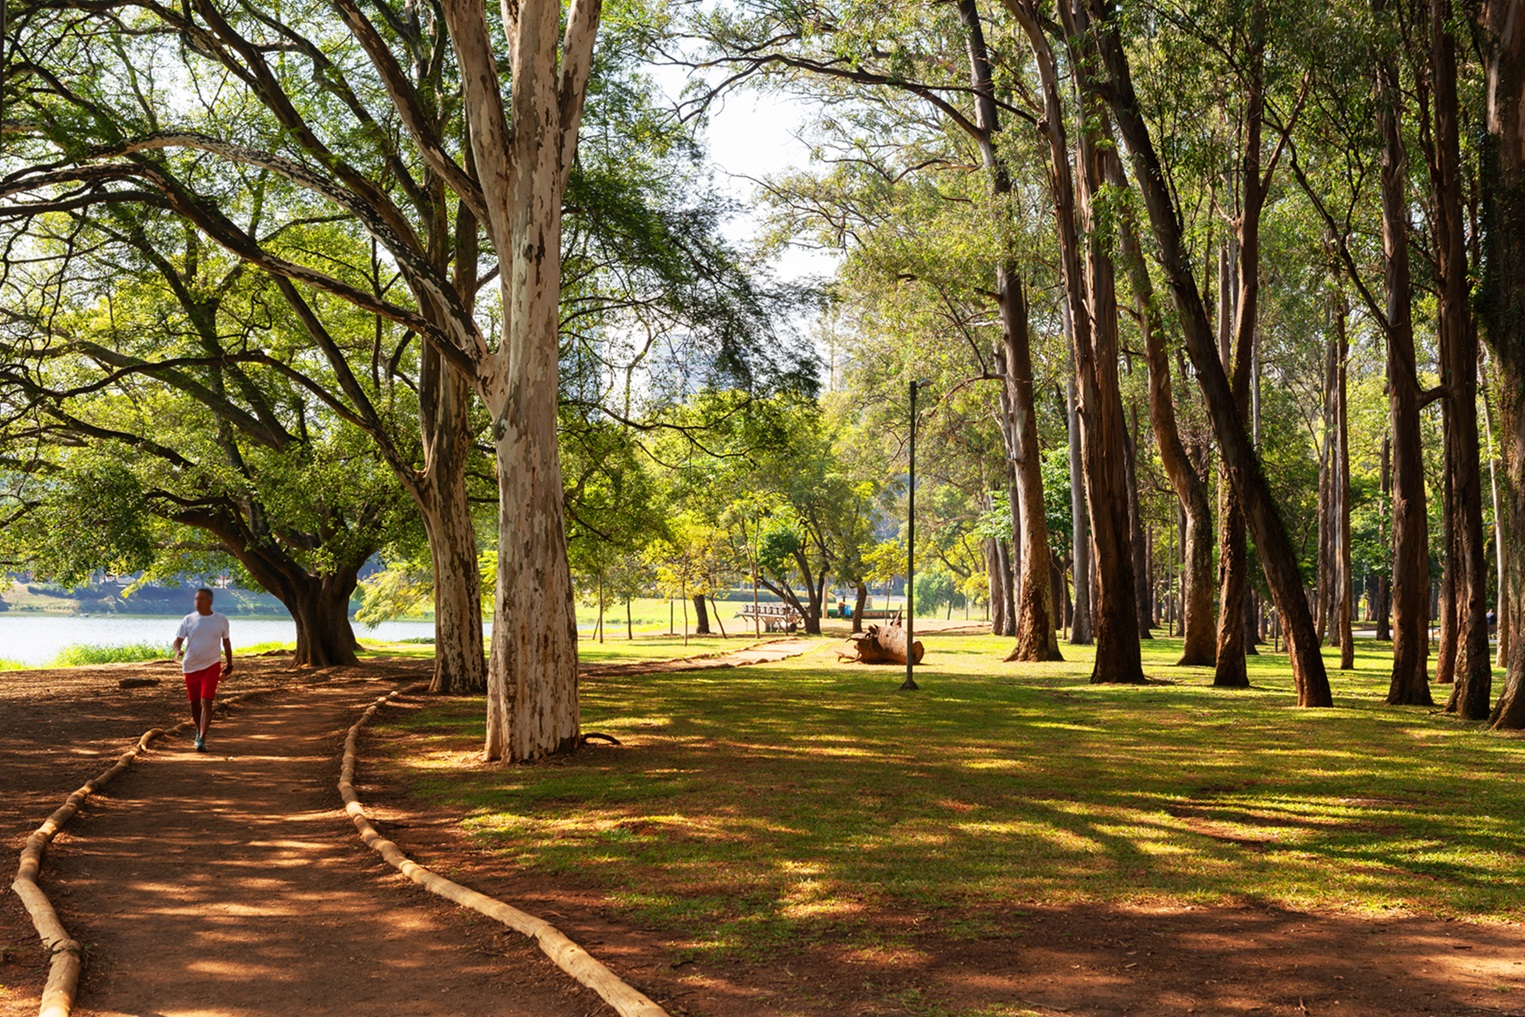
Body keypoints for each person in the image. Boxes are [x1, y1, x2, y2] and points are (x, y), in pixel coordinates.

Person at [172, 588, 234, 753]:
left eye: (201, 599)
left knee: (206, 701)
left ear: (210, 601)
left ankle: (202, 738)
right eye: (196, 599)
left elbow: (226, 643)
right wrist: (177, 651)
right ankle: (199, 729)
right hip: (190, 666)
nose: (197, 602)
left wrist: (229, 664)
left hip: (211, 665)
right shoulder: (188, 619)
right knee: (194, 704)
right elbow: (177, 641)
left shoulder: (221, 620)